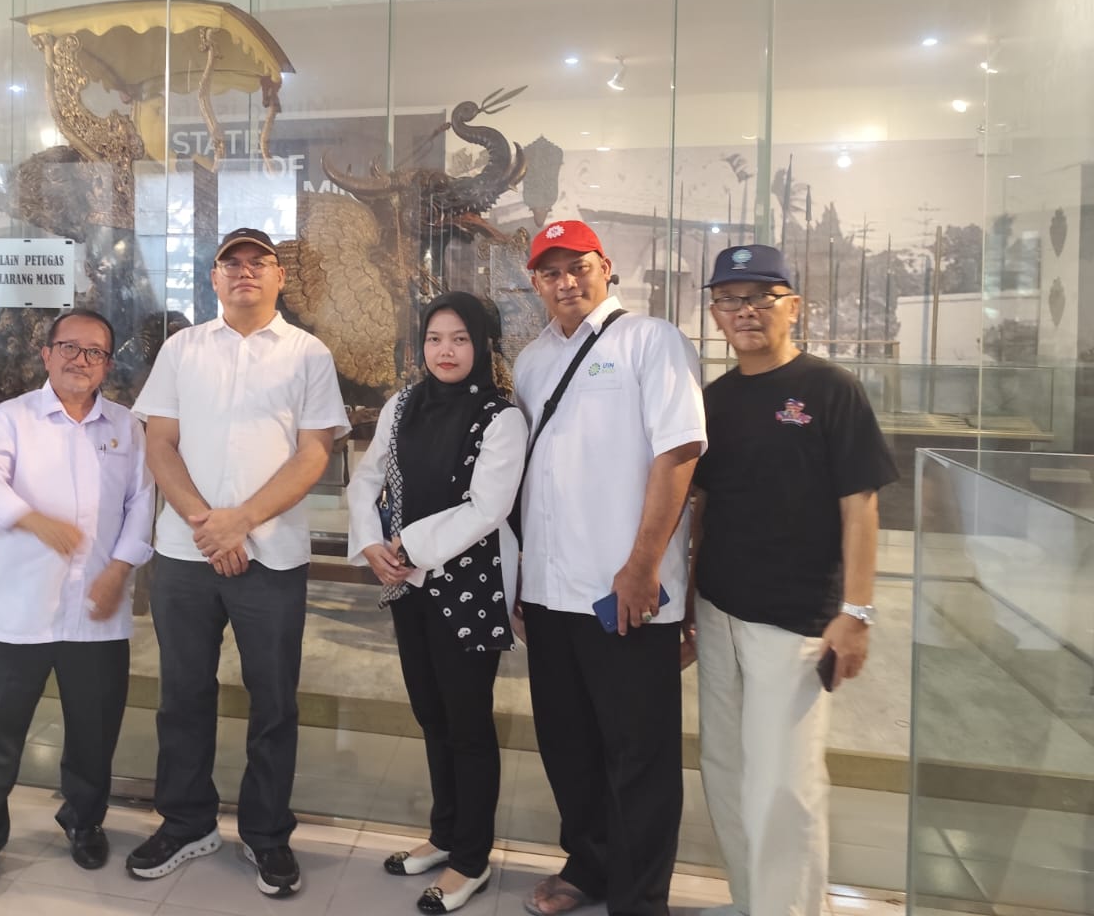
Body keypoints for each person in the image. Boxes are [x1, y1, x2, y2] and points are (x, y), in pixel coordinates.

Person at [127, 228, 350, 899]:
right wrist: (209, 523)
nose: (245, 271)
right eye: (232, 263)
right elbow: (159, 443)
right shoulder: (182, 348)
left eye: (259, 262)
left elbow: (314, 453)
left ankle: (266, 833)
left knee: (274, 702)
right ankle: (186, 822)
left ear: (280, 277)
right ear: (214, 278)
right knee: (182, 695)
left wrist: (241, 521)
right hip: (187, 552)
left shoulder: (308, 353)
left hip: (271, 556)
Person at [689, 245, 897, 916]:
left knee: (785, 784)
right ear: (715, 314)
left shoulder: (831, 389)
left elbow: (861, 505)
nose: (745, 311)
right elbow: (703, 508)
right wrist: (689, 607)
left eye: (762, 297)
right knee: (728, 771)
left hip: (797, 619)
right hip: (719, 611)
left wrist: (856, 613)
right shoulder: (715, 400)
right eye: (730, 300)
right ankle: (752, 901)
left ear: (793, 307)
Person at [514, 219, 706, 916]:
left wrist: (643, 565)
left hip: (626, 592)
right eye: (551, 271)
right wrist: (519, 582)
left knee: (639, 756)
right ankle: (589, 867)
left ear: (606, 266)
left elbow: (679, 453)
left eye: (579, 266)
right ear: (535, 282)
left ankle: (639, 898)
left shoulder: (652, 341)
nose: (566, 281)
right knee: (568, 746)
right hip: (547, 593)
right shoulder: (531, 360)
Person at [0, 308, 155, 903]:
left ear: (107, 364)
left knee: (94, 732)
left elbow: (142, 503)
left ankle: (83, 822)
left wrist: (120, 570)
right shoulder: (12, 420)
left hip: (97, 611)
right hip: (21, 610)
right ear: (46, 354)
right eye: (69, 348)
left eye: (94, 352)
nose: (80, 361)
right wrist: (34, 520)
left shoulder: (127, 428)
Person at [348, 292, 528, 915]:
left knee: (468, 723)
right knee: (431, 715)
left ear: (481, 345)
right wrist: (370, 543)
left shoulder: (501, 417)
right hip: (408, 583)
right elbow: (367, 478)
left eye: (459, 339)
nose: (445, 351)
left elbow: (488, 507)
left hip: (470, 586)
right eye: (434, 338)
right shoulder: (402, 405)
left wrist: (406, 546)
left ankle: (471, 861)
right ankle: (445, 835)